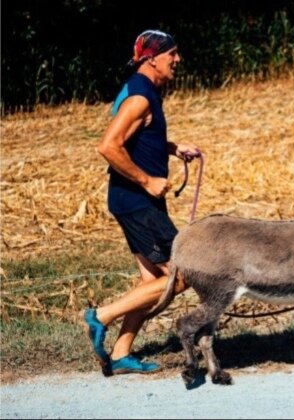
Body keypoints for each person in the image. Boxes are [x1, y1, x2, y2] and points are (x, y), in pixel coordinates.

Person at [82, 29, 199, 376]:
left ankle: (119, 353)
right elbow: (108, 145)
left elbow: (139, 137)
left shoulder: (146, 91)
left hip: (132, 200)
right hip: (136, 201)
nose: (177, 60)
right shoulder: (141, 97)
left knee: (150, 278)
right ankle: (99, 316)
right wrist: (148, 181)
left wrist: (173, 148)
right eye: (172, 54)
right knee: (181, 275)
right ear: (152, 58)